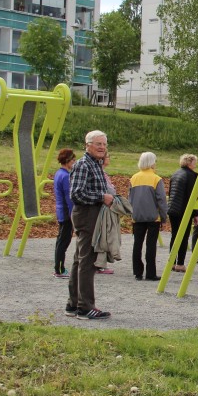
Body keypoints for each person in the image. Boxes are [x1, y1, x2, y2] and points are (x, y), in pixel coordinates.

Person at [65, 130, 113, 320]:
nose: (102, 147)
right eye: (98, 144)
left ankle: (73, 304)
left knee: (80, 259)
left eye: (104, 144)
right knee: (87, 261)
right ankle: (85, 307)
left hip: (93, 213)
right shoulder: (84, 165)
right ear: (87, 145)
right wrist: (102, 197)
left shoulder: (95, 164)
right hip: (87, 214)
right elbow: (76, 194)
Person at [129, 152, 169, 282]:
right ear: (152, 162)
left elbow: (130, 199)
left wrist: (132, 214)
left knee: (137, 244)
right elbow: (161, 200)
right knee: (151, 245)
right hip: (153, 217)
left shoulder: (133, 178)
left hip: (137, 216)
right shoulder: (156, 179)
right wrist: (164, 217)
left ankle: (137, 272)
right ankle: (150, 273)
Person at [167, 154, 198, 272]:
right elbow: (192, 196)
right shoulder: (191, 176)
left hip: (173, 208)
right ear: (190, 163)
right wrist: (195, 214)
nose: (196, 164)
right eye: (194, 162)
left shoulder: (176, 173)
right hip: (184, 209)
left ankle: (172, 262)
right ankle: (180, 263)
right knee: (184, 236)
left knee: (174, 235)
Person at [52, 148, 75, 278]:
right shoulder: (66, 176)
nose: (74, 162)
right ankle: (59, 269)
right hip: (66, 212)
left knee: (61, 240)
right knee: (63, 241)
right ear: (67, 161)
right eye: (72, 160)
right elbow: (69, 198)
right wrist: (73, 214)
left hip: (61, 211)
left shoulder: (58, 173)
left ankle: (59, 267)